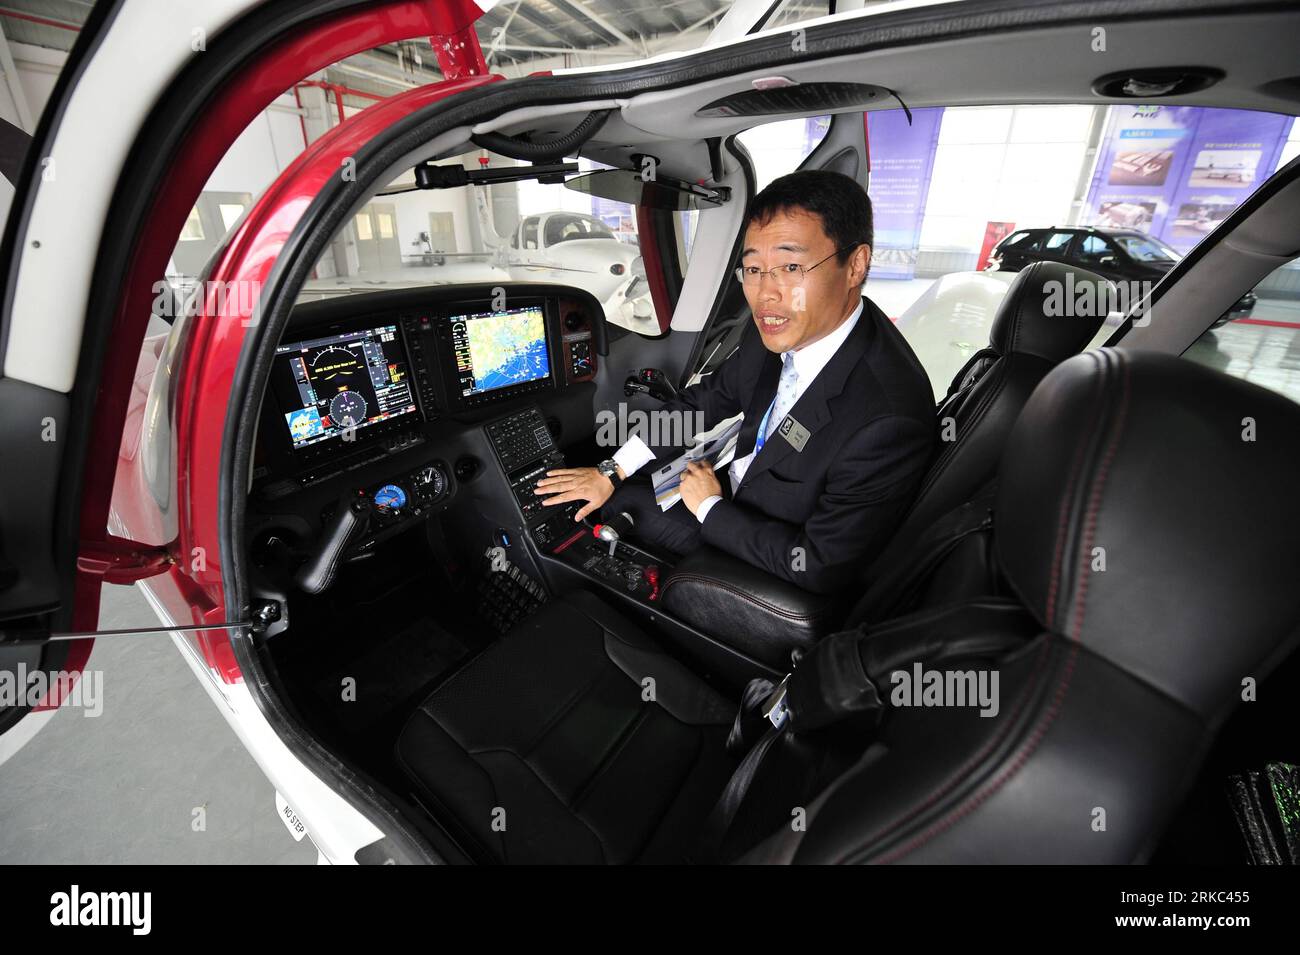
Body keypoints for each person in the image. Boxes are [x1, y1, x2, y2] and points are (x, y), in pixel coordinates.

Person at [533, 169, 935, 594]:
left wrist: (710, 506)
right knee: (614, 489)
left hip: (763, 558)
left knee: (612, 511)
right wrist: (612, 468)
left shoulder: (887, 417)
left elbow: (817, 564)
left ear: (855, 265)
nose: (765, 295)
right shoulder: (779, 328)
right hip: (729, 486)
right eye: (753, 269)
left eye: (791, 266)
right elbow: (705, 402)